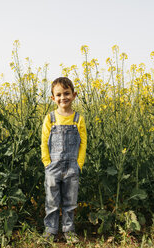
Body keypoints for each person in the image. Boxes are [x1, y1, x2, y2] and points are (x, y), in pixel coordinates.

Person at [40, 77, 87, 244]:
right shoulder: (50, 118)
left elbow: (83, 142)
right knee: (51, 201)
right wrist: (47, 163)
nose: (63, 98)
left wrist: (79, 164)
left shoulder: (78, 119)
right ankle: (50, 230)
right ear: (53, 98)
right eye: (58, 95)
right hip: (53, 166)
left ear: (74, 95)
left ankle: (69, 230)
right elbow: (44, 142)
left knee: (70, 201)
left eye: (66, 94)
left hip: (72, 166)